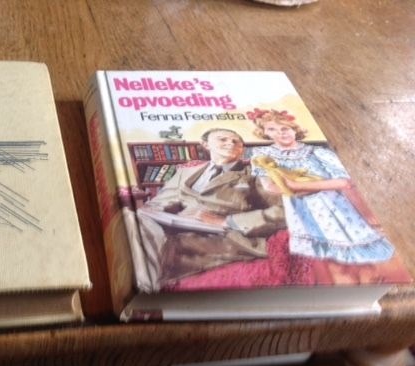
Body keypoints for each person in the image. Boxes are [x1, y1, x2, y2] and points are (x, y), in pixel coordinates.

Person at [247, 109, 394, 273]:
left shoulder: (317, 152)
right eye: (272, 129)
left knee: (354, 252)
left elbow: (345, 182)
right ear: (264, 132)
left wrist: (295, 185)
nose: (281, 133)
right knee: (320, 260)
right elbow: (269, 186)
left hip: (334, 206)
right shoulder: (262, 155)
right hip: (300, 210)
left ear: (294, 129)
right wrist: (302, 188)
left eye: (285, 128)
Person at [137, 128, 286, 288]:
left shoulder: (256, 175)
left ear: (242, 149)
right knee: (132, 219)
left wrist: (226, 221)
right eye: (223, 139)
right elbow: (161, 203)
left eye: (236, 141)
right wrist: (154, 210)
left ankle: (147, 292)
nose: (231, 143)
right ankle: (146, 288)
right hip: (178, 224)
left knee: (164, 242)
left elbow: (284, 211)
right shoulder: (184, 172)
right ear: (206, 144)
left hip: (226, 235)